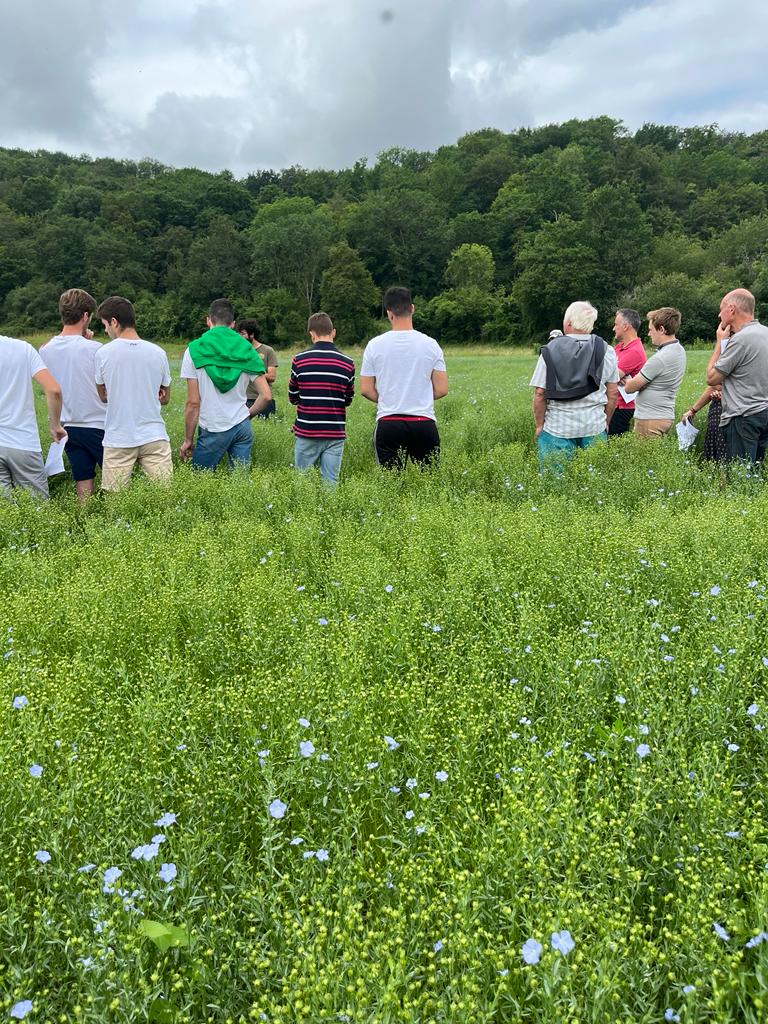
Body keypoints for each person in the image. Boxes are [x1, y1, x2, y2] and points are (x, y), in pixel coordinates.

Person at [360, 286, 448, 469]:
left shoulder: (374, 345)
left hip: (389, 423)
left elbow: (366, 389)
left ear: (389, 313)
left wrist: (387, 397)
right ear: (413, 308)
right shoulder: (431, 345)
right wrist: (417, 395)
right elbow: (441, 389)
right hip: (423, 423)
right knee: (428, 485)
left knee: (390, 485)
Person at [180, 299, 271, 471]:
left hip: (213, 427)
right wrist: (247, 415)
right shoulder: (247, 349)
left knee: (201, 482)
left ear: (208, 320)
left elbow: (193, 403)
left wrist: (188, 440)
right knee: (240, 485)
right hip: (241, 427)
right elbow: (266, 395)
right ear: (233, 323)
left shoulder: (194, 350)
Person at [94, 295, 173, 491]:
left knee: (116, 500)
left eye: (105, 324)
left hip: (119, 436)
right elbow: (166, 397)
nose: (105, 330)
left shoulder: (103, 353)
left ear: (114, 321)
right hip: (154, 435)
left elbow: (103, 396)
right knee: (163, 497)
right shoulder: (158, 352)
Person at [529, 300, 618, 470]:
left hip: (557, 428)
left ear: (568, 322)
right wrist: (605, 422)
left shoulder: (550, 349)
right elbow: (612, 393)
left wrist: (540, 425)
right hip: (594, 426)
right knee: (595, 486)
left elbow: (540, 393)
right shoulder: (607, 350)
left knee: (554, 487)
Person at [39, 288, 105, 501]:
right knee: (117, 479)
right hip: (99, 424)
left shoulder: (45, 350)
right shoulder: (97, 349)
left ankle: (83, 519)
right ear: (86, 316)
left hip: (68, 427)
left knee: (83, 478)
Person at [288, 312, 355, 484]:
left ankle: (303, 511)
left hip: (307, 430)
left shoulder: (299, 360)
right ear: (333, 332)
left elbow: (293, 397)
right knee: (330, 481)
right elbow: (347, 399)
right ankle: (329, 510)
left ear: (312, 333)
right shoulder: (348, 362)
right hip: (335, 432)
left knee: (302, 481)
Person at [705, 288, 768, 464]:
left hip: (742, 416)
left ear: (732, 309)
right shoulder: (765, 333)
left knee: (740, 475)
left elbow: (711, 378)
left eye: (721, 308)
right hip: (763, 413)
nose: (719, 315)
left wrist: (719, 343)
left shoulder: (741, 339)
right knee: (754, 474)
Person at [0, 334, 65, 499]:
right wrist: (55, 425)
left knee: (5, 514)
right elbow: (53, 390)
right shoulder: (23, 348)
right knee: (38, 509)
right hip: (23, 441)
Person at [623, 307, 686, 439]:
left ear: (662, 330)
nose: (649, 333)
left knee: (643, 459)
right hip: (664, 414)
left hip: (650, 418)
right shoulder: (679, 350)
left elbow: (629, 388)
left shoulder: (660, 358)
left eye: (651, 329)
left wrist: (630, 382)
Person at [608, 308, 646, 436]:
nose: (614, 328)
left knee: (612, 444)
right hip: (615, 404)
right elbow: (607, 371)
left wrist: (614, 376)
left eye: (616, 324)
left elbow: (608, 376)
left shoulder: (634, 351)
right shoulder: (620, 347)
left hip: (622, 407)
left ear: (625, 326)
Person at [235, 317, 278, 417]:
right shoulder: (237, 352)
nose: (239, 336)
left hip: (263, 399)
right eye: (238, 333)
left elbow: (272, 377)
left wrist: (252, 371)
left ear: (252, 335)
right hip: (242, 400)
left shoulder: (267, 350)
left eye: (242, 333)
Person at [680, 386, 726, 462]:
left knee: (719, 455)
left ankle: (721, 472)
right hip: (748, 409)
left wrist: (692, 410)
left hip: (722, 412)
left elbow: (714, 385)